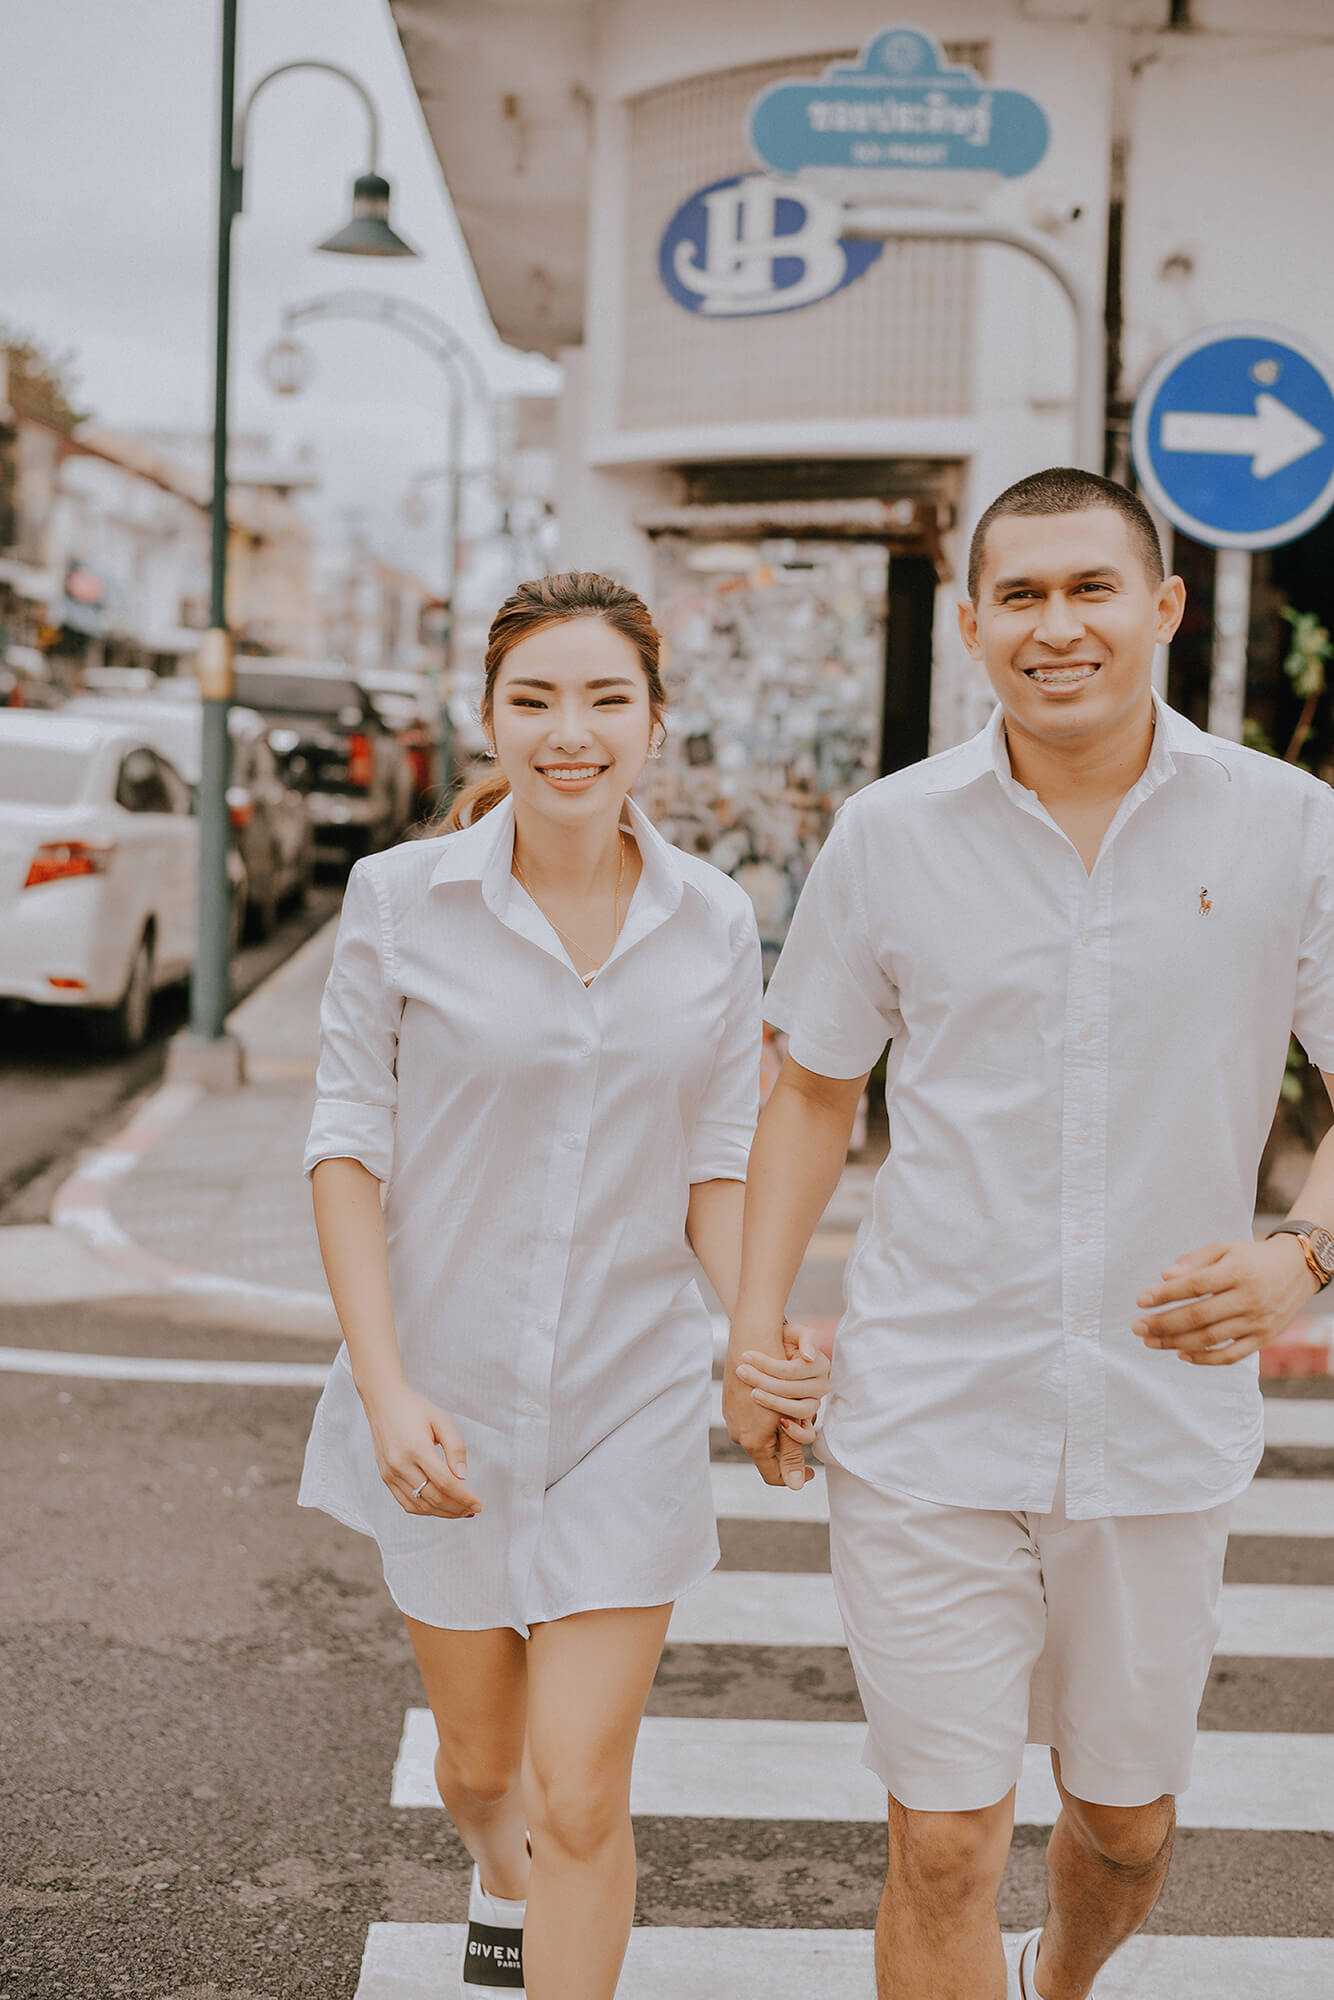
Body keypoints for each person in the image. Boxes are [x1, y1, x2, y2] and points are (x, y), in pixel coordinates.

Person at [725, 469, 1334, 2000]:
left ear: (1162, 610)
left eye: (1089, 590)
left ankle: (1055, 1984)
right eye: (1020, 597)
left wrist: (1298, 1254)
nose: (1055, 627)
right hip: (927, 1408)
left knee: (1123, 1826)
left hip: (1155, 1420)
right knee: (939, 1840)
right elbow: (806, 1096)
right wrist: (754, 1333)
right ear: (974, 623)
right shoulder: (889, 834)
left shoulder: (1288, 828)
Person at [298, 571, 829, 2000]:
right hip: (445, 1400)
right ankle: (493, 1868)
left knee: (580, 1791)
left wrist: (753, 1338)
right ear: (488, 717)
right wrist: (388, 1384)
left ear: (655, 725)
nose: (568, 731)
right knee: (483, 1775)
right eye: (532, 700)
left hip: (627, 1399)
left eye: (604, 699)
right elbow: (346, 1148)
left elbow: (719, 1160)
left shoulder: (713, 919)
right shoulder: (399, 901)